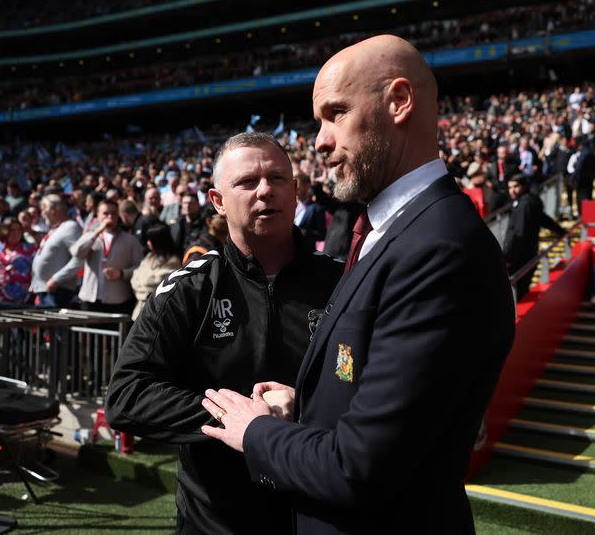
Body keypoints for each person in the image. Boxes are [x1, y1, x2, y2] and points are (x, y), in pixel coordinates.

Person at [199, 35, 516, 534]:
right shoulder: (391, 229)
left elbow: (362, 467)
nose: (320, 140)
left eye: (336, 113)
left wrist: (254, 431)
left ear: (398, 102)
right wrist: (305, 405)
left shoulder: (439, 249)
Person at [105, 132, 343, 535]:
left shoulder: (343, 281)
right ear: (218, 201)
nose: (266, 190)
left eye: (278, 179)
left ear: (296, 191)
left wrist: (301, 405)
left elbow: (375, 390)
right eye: (248, 182)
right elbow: (126, 396)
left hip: (318, 515)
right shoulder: (189, 288)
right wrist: (239, 421)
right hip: (215, 522)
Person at [71, 199, 143, 315]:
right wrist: (97, 231)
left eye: (113, 213)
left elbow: (139, 267)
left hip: (118, 300)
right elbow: (77, 252)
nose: (110, 217)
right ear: (98, 216)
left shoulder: (130, 240)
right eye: (105, 213)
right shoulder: (90, 236)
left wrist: (122, 273)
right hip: (90, 299)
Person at [503, 174, 566, 299]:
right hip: (526, 254)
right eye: (510, 187)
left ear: (524, 186)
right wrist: (561, 231)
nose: (512, 190)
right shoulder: (528, 201)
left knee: (516, 291)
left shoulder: (525, 204)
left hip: (519, 258)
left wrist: (508, 258)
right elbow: (543, 219)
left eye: (516, 186)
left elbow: (519, 233)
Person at [30, 194, 83, 308]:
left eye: (43, 208)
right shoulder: (55, 229)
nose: (42, 213)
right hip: (46, 291)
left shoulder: (70, 227)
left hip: (58, 292)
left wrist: (57, 279)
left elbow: (80, 259)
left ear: (52, 209)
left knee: (54, 325)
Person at [129, 224, 181, 320]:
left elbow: (152, 282)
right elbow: (135, 278)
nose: (148, 243)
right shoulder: (149, 257)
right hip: (139, 310)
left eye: (150, 240)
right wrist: (144, 292)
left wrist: (143, 281)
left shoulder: (173, 261)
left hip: (157, 312)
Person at [0, 217, 35, 304]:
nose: (16, 233)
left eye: (19, 230)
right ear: (4, 231)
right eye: (12, 230)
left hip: (20, 298)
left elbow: (36, 270)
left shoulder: (30, 249)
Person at [294, 172, 326, 248]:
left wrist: (305, 232)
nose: (295, 191)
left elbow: (322, 235)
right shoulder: (291, 205)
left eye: (298, 188)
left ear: (307, 186)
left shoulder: (316, 208)